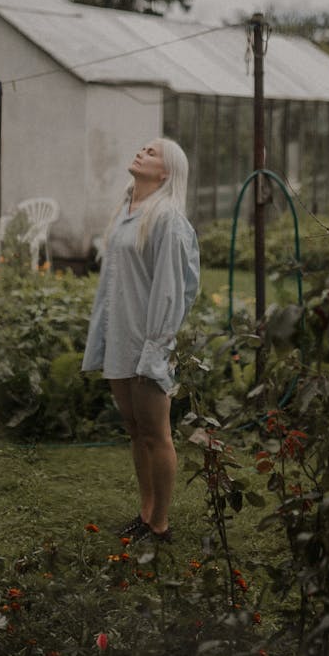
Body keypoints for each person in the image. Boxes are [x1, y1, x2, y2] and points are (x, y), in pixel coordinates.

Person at [82, 138, 200, 543]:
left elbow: (172, 290)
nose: (141, 152)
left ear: (166, 172)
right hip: (120, 337)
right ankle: (146, 512)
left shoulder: (167, 218)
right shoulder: (126, 210)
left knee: (156, 432)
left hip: (150, 340)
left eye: (152, 153)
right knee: (135, 430)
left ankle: (161, 525)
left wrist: (158, 347)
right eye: (143, 149)